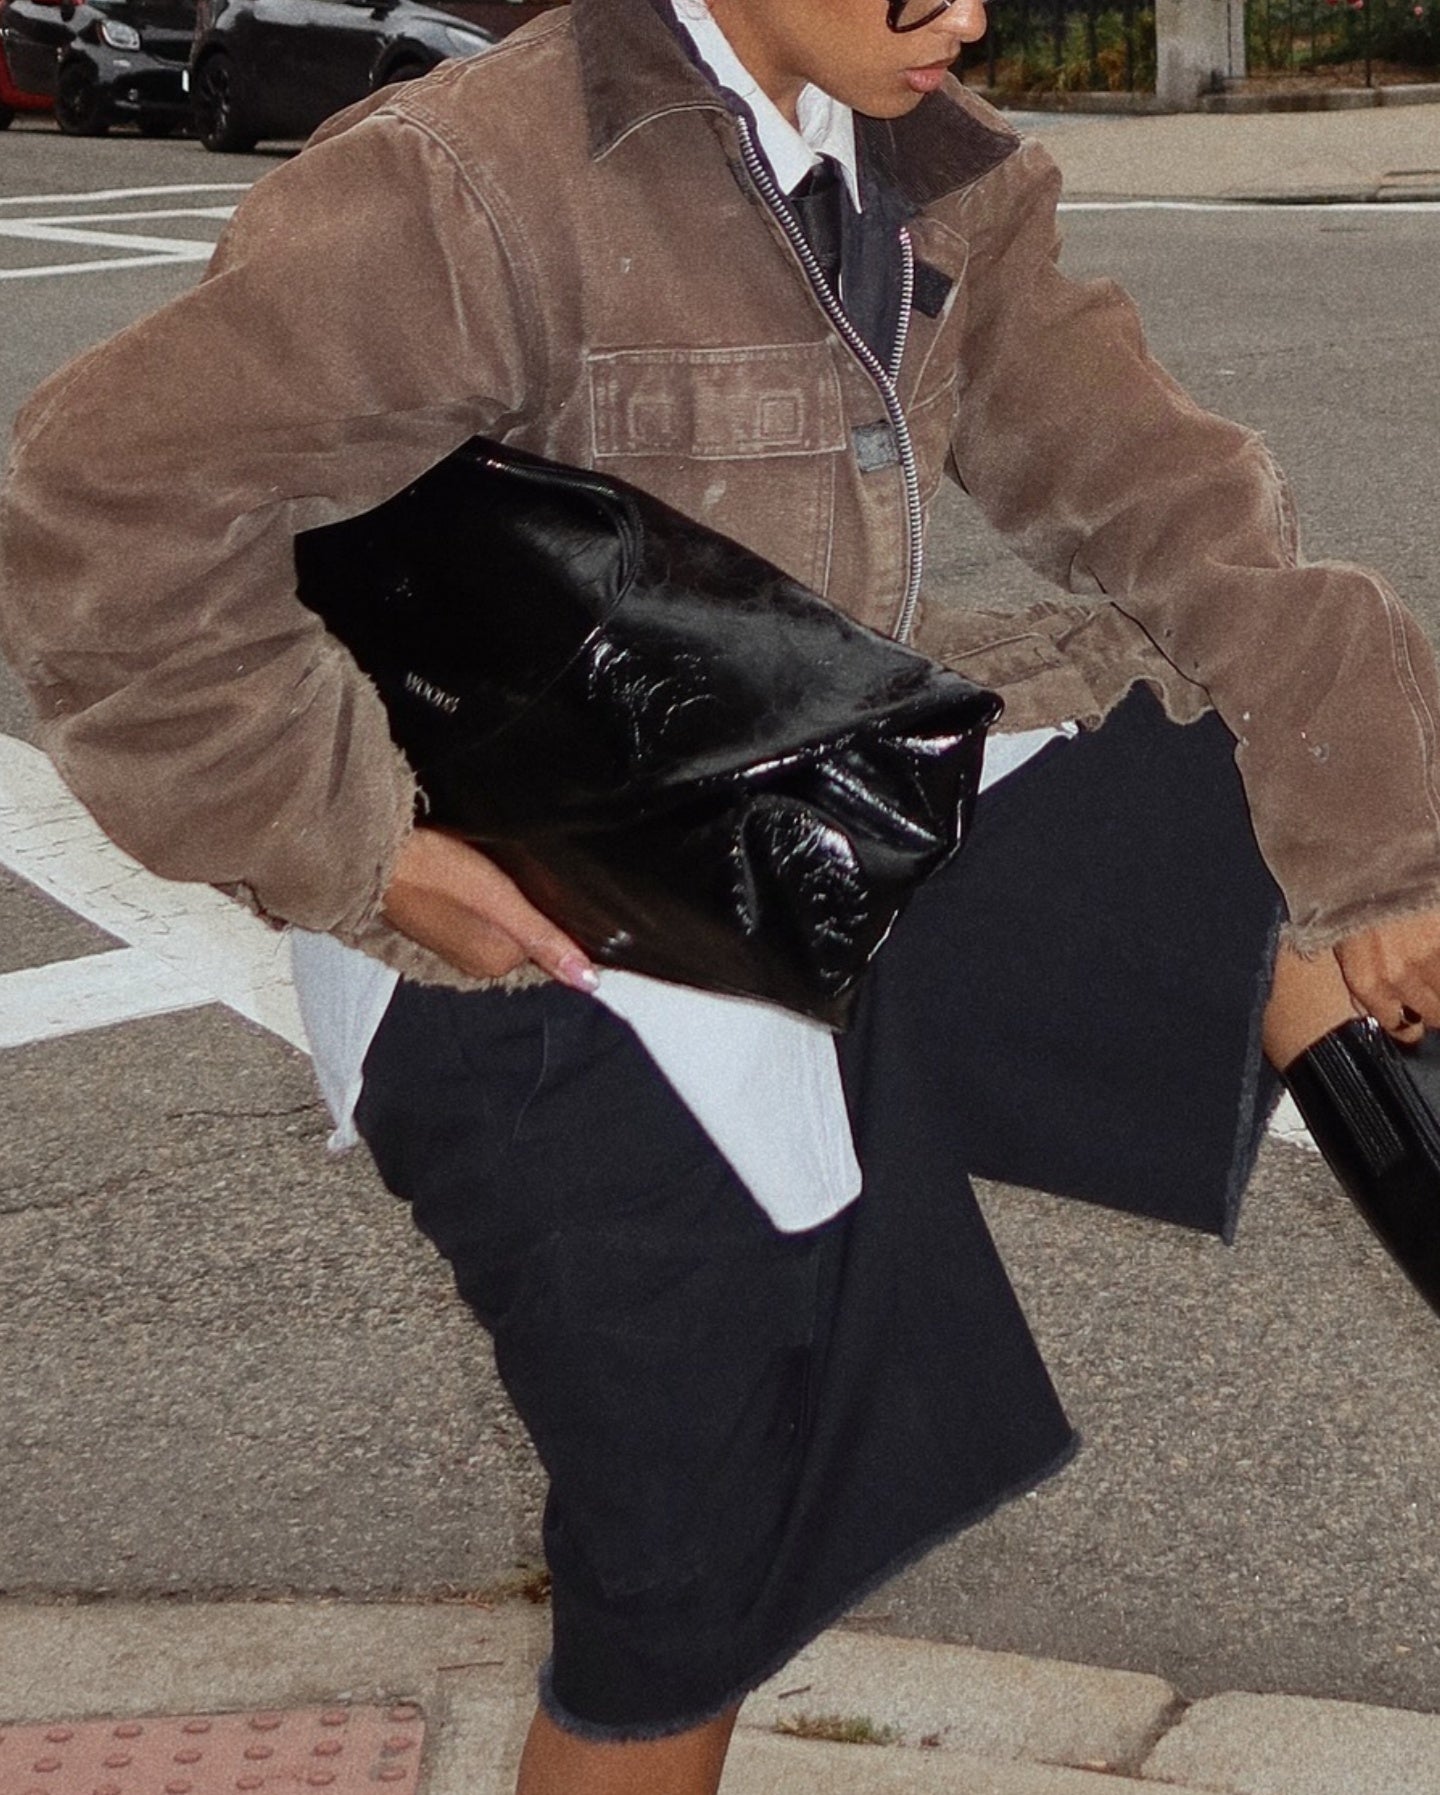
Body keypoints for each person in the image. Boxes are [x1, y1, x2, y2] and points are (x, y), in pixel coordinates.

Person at [3, 1, 1440, 1790]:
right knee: (691, 1591)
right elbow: (93, 508)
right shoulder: (474, 183)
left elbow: (1173, 507)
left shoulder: (933, 173)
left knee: (1280, 830)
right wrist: (353, 847)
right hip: (535, 969)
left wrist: (1378, 835)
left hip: (797, 833)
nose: (968, 16)